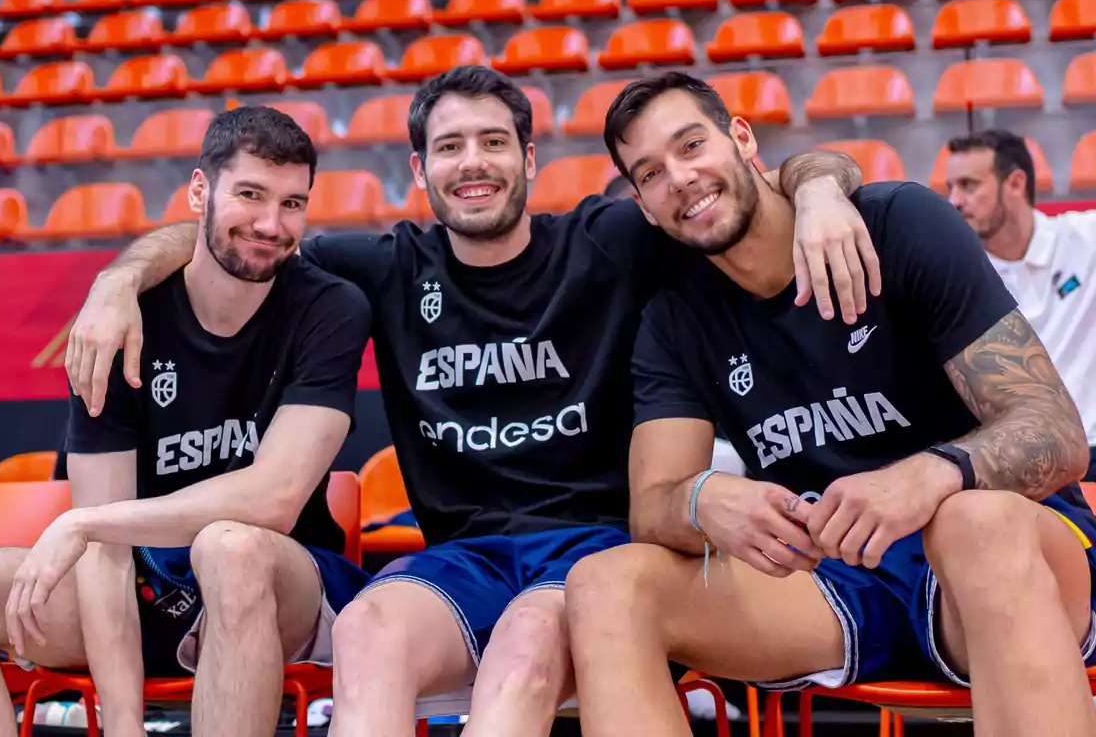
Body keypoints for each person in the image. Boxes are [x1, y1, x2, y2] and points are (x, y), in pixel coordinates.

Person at [62, 65, 874, 736]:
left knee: (524, 650)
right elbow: (236, 235)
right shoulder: (382, 265)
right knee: (365, 632)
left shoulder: (613, 241)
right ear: (420, 171)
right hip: (463, 557)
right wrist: (118, 278)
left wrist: (823, 194)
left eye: (493, 142)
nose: (472, 162)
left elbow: (752, 185)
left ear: (530, 158)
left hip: (595, 553)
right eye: (449, 146)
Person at [563, 71, 1096, 737]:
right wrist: (699, 500)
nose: (679, 177)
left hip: (1004, 554)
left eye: (691, 145)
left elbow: (1057, 433)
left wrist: (924, 477)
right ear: (643, 204)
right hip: (839, 577)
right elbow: (653, 506)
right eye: (649, 173)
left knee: (973, 521)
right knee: (604, 585)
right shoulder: (673, 320)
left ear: (741, 138)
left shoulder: (898, 222)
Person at [0, 106, 373, 737]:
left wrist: (87, 522)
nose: (271, 223)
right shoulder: (116, 325)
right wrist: (123, 724)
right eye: (250, 195)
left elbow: (275, 498)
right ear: (199, 192)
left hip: (274, 582)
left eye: (293, 203)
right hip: (143, 586)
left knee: (228, 545)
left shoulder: (331, 307)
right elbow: (106, 558)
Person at [946, 129, 1096, 479]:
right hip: (1018, 467)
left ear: (1014, 183)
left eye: (968, 185)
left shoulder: (1086, 238)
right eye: (950, 187)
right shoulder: (956, 272)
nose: (953, 200)